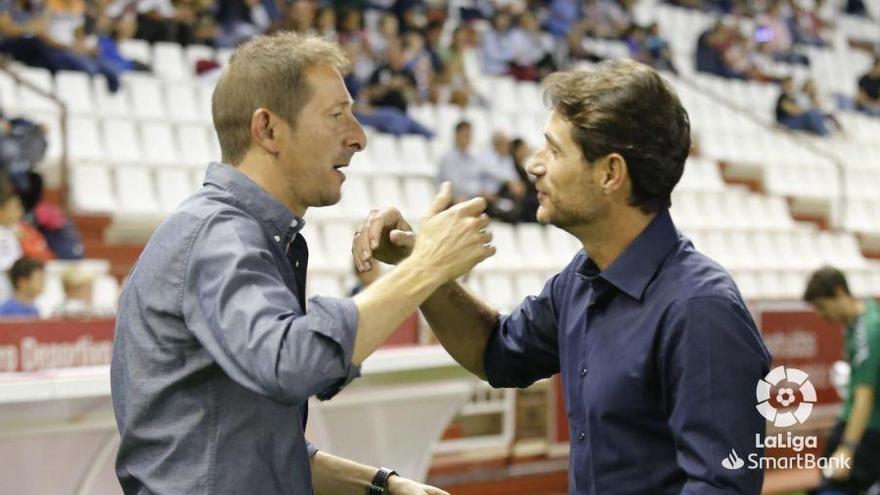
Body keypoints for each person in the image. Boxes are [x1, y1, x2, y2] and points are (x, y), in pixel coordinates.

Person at [354, 60, 771, 494]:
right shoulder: (581, 278)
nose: (533, 165)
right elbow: (496, 353)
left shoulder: (701, 310)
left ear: (611, 173)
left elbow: (719, 487)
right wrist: (419, 264)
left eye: (553, 151)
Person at [111, 32, 493, 495]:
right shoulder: (219, 237)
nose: (358, 136)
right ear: (268, 129)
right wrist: (426, 266)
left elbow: (255, 453)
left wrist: (382, 487)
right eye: (336, 116)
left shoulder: (246, 236)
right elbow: (292, 364)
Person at [804, 267, 880, 495]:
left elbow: (865, 396)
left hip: (867, 431)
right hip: (860, 427)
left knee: (834, 487)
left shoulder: (867, 330)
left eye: (822, 306)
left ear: (839, 292)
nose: (821, 314)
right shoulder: (859, 321)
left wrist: (847, 449)